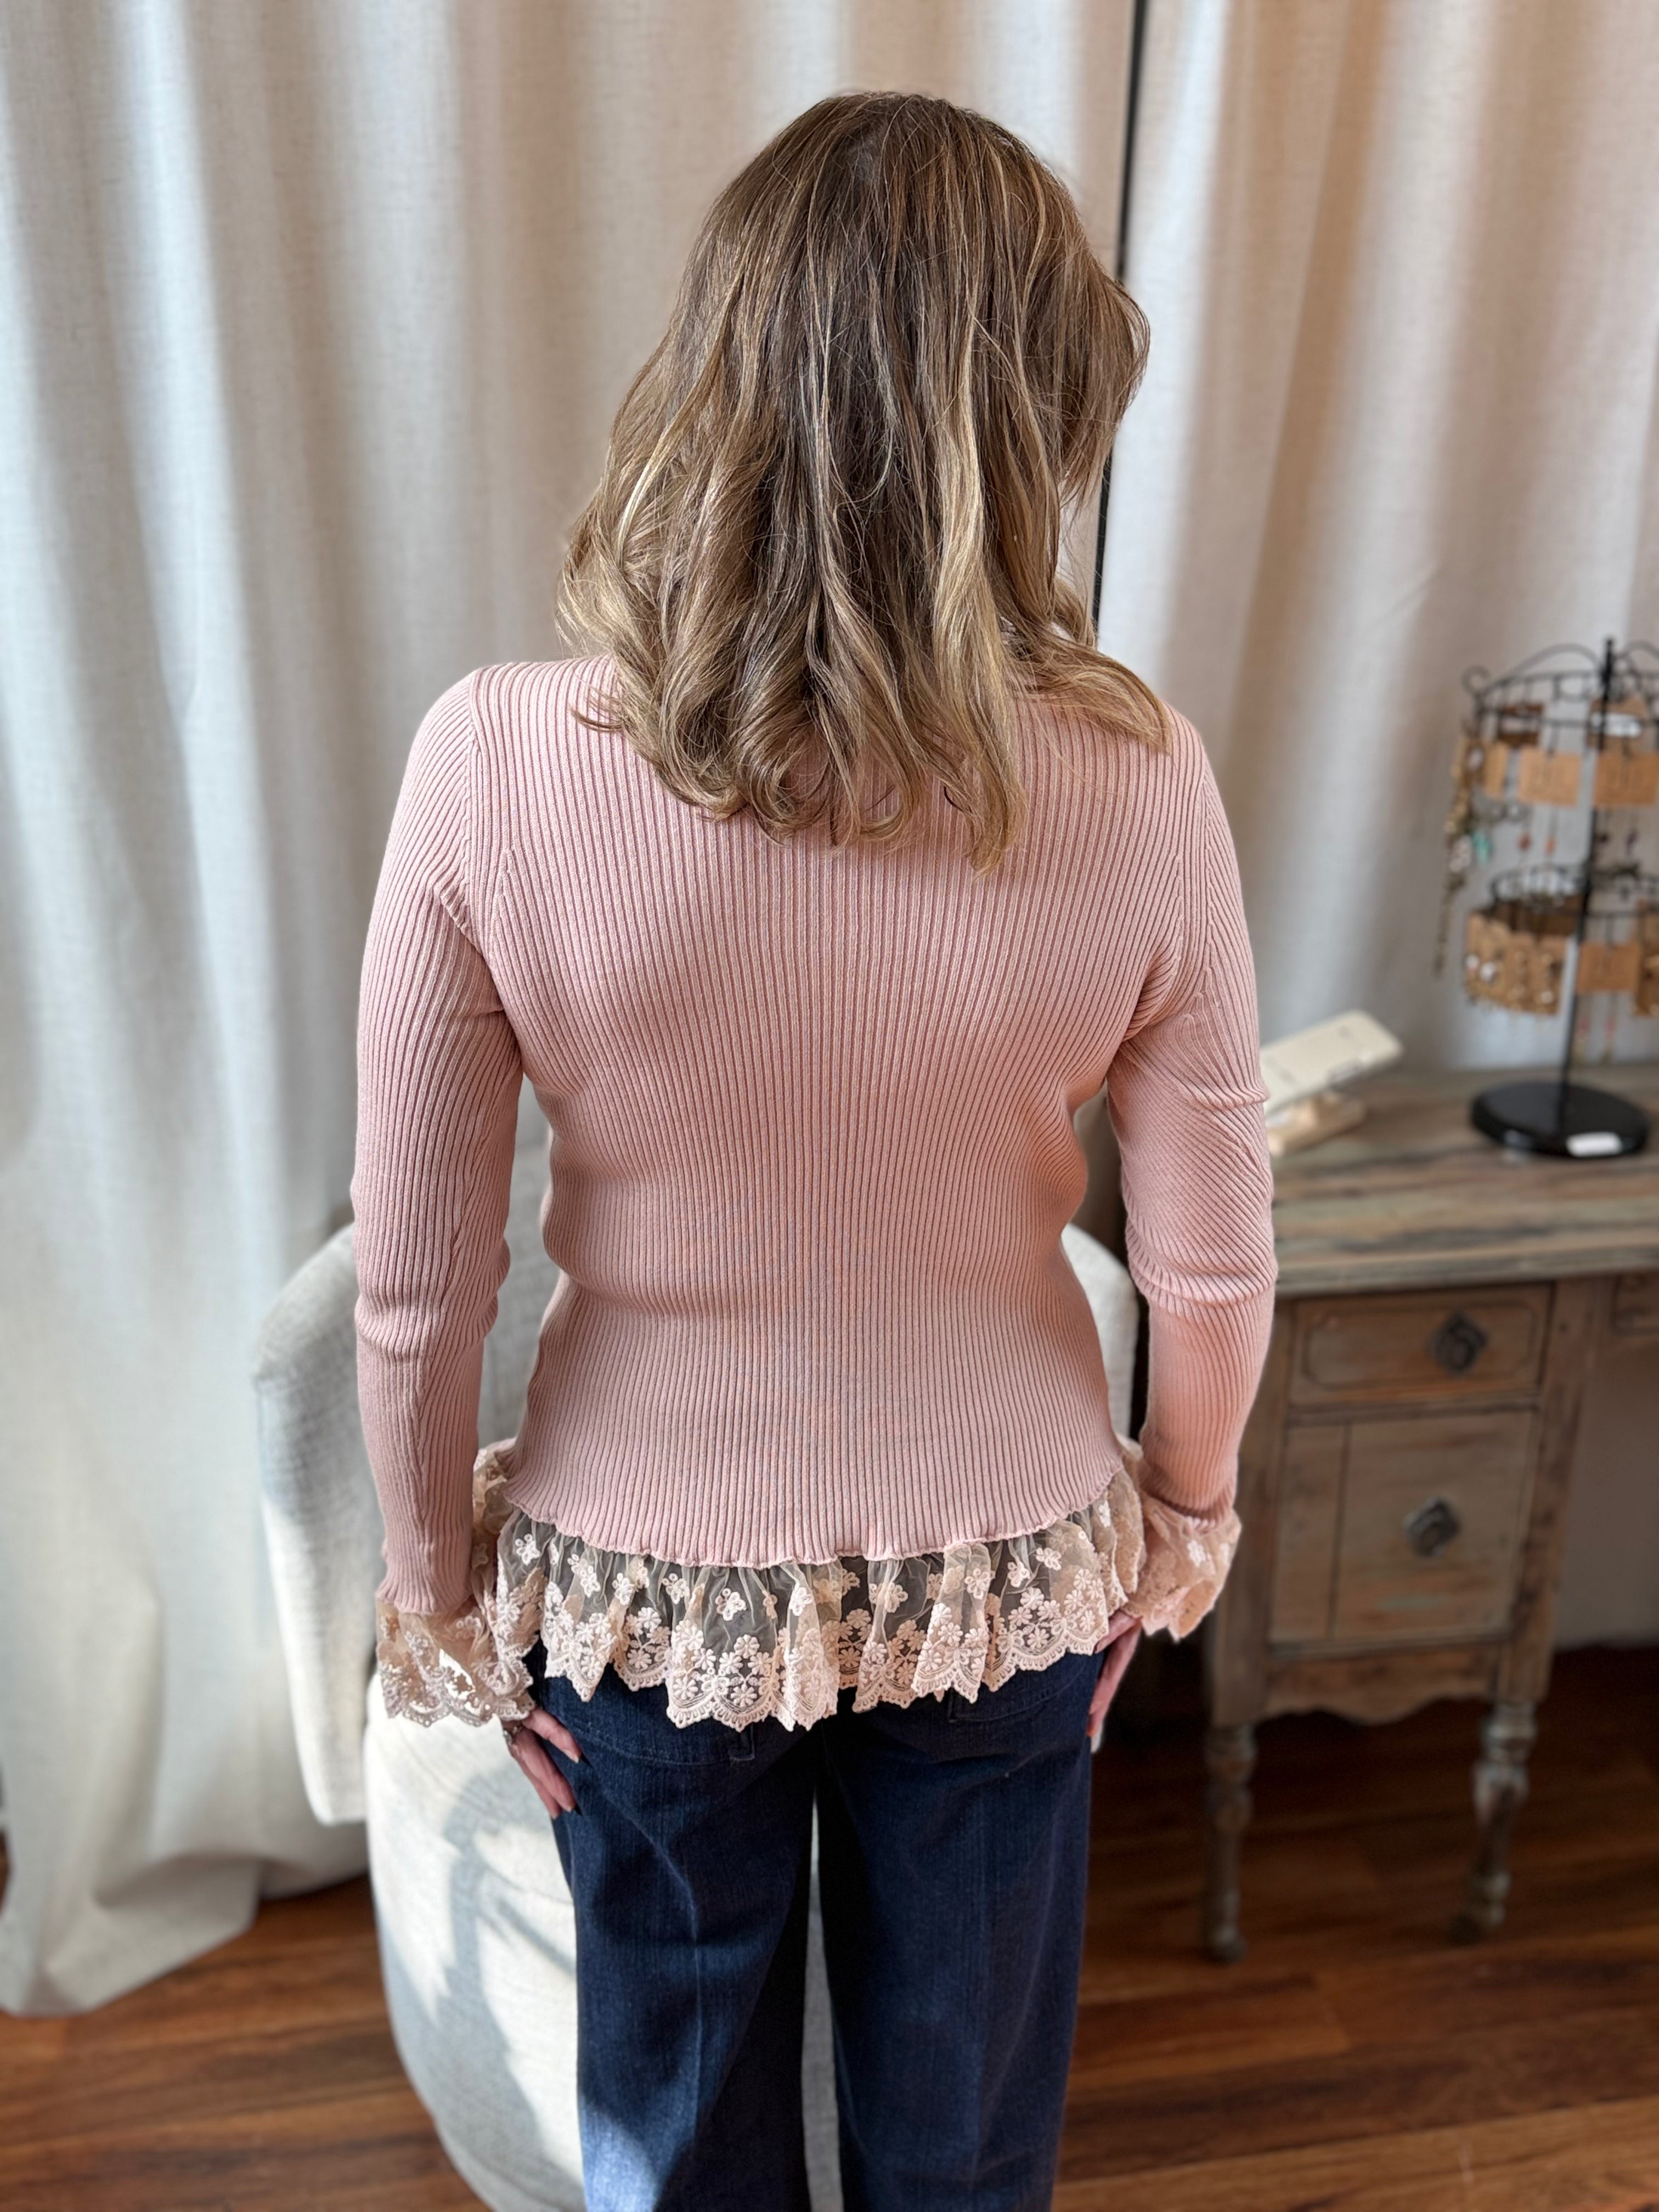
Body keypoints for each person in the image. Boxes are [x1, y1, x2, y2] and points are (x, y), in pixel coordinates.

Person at [351, 89, 1277, 2212]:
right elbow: (1216, 1266)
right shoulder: (1138, 778)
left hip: (644, 1585)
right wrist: (1182, 1520)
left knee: (676, 2156)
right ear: (1023, 424)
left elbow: (423, 1283)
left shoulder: (496, 761)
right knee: (964, 2151)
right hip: (1012, 1560)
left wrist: (437, 1592)